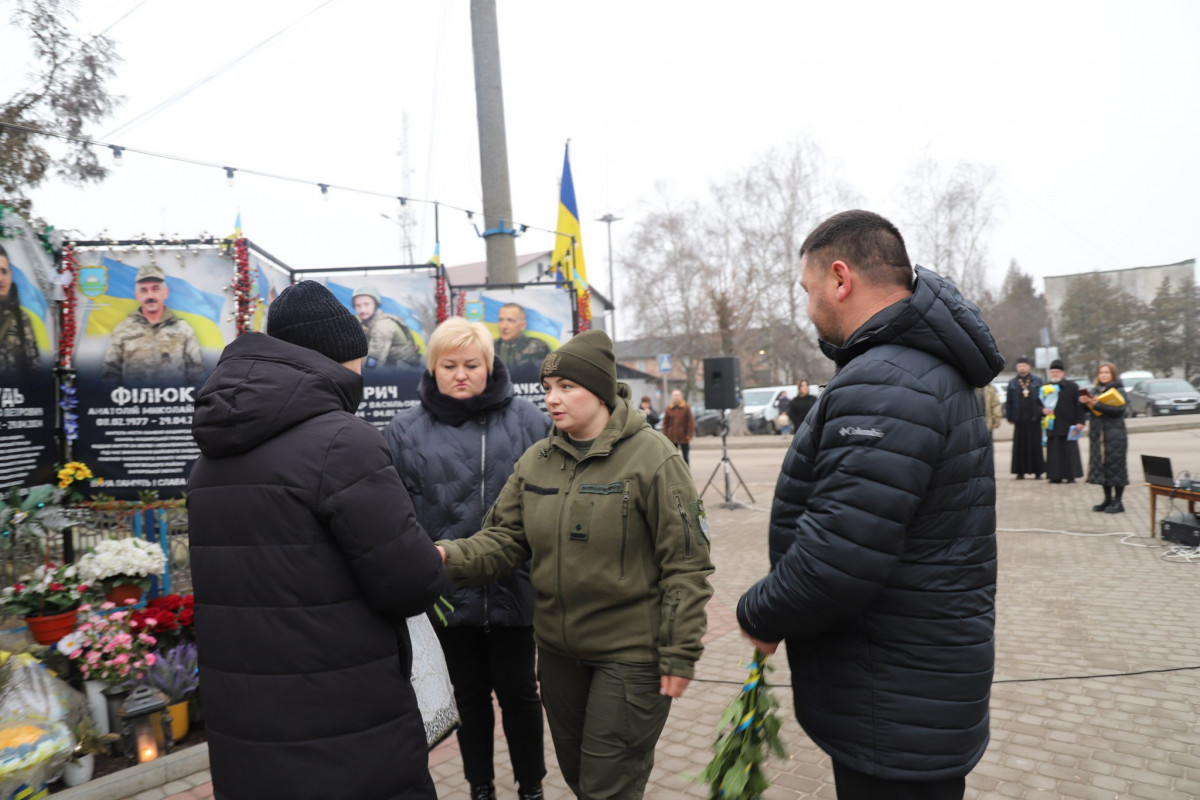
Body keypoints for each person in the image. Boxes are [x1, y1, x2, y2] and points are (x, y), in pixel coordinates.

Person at [736, 210, 1004, 800]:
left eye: (808, 292)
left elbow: (839, 559)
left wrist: (759, 613)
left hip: (893, 693)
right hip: (918, 686)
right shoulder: (922, 369)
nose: (808, 309)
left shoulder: (885, 381)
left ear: (840, 278)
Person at [187, 281, 445, 800]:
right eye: (361, 361)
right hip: (343, 723)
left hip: (246, 730)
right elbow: (410, 585)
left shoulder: (209, 457)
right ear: (340, 359)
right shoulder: (343, 441)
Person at [436, 330, 715, 800]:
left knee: (608, 786)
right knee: (581, 778)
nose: (553, 400)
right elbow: (504, 539)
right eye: (547, 389)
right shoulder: (538, 461)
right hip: (560, 657)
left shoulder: (654, 458)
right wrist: (444, 556)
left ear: (601, 391)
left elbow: (686, 565)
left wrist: (680, 650)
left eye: (567, 387)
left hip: (630, 657)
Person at [384, 317, 549, 800]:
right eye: (449, 365)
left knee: (521, 695)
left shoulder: (528, 421)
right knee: (470, 700)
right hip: (446, 595)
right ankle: (481, 787)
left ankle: (532, 787)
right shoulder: (405, 430)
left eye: (472, 364)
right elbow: (394, 512)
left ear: (490, 364)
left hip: (515, 586)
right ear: (432, 368)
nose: (461, 374)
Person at [101, 263, 205, 384]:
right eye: (144, 290)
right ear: (137, 296)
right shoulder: (122, 330)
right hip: (134, 402)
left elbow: (198, 373)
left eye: (155, 289)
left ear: (166, 293)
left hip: (174, 401)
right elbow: (109, 373)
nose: (150, 296)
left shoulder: (183, 329)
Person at [1082, 361, 1128, 512]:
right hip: (1098, 436)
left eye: (1107, 373)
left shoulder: (1119, 390)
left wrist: (1095, 405)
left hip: (1114, 435)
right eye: (1101, 373)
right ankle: (1107, 499)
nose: (1103, 375)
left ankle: (1118, 501)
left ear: (1113, 374)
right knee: (1103, 468)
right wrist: (1084, 402)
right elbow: (1088, 410)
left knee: (1116, 468)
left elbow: (1119, 410)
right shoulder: (1096, 390)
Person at [352, 285, 422, 368]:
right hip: (393, 368)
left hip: (407, 372)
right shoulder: (365, 324)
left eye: (366, 304)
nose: (362, 310)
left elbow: (373, 362)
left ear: (375, 305)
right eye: (358, 305)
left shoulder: (383, 325)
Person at [1043, 359, 1084, 484]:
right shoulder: (1045, 388)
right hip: (1052, 425)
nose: (1055, 374)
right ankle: (1055, 476)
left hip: (1068, 425)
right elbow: (1036, 404)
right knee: (1054, 452)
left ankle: (1071, 475)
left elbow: (1079, 406)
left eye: (1057, 372)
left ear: (1063, 373)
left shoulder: (1072, 387)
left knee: (1069, 452)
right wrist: (1042, 410)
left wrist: (1080, 421)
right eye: (1052, 372)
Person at [0, 245, 39, 376]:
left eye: (3, 271)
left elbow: (34, 367)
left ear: (11, 276)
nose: (0, 279)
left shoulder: (22, 319)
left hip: (15, 394)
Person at [1005, 357, 1045, 479]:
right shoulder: (1012, 382)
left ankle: (1038, 472)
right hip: (1019, 419)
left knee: (1035, 446)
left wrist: (1041, 413)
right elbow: (1009, 402)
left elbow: (1042, 399)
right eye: (1019, 366)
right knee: (1020, 447)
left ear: (1029, 367)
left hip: (1034, 418)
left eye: (1023, 365)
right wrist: (1010, 416)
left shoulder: (1037, 381)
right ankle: (1020, 472)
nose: (1021, 368)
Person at [494, 302, 552, 369]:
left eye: (510, 320)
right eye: (501, 320)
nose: (504, 326)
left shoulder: (538, 348)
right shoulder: (489, 347)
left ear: (523, 325)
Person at [661, 389, 696, 465]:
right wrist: (665, 435)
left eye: (677, 395)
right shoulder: (669, 408)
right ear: (672, 397)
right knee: (672, 457)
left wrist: (690, 435)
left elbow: (691, 422)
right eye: (674, 395)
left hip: (684, 437)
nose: (676, 397)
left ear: (681, 396)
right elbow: (665, 423)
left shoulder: (686, 407)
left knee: (685, 457)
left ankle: (686, 474)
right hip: (672, 437)